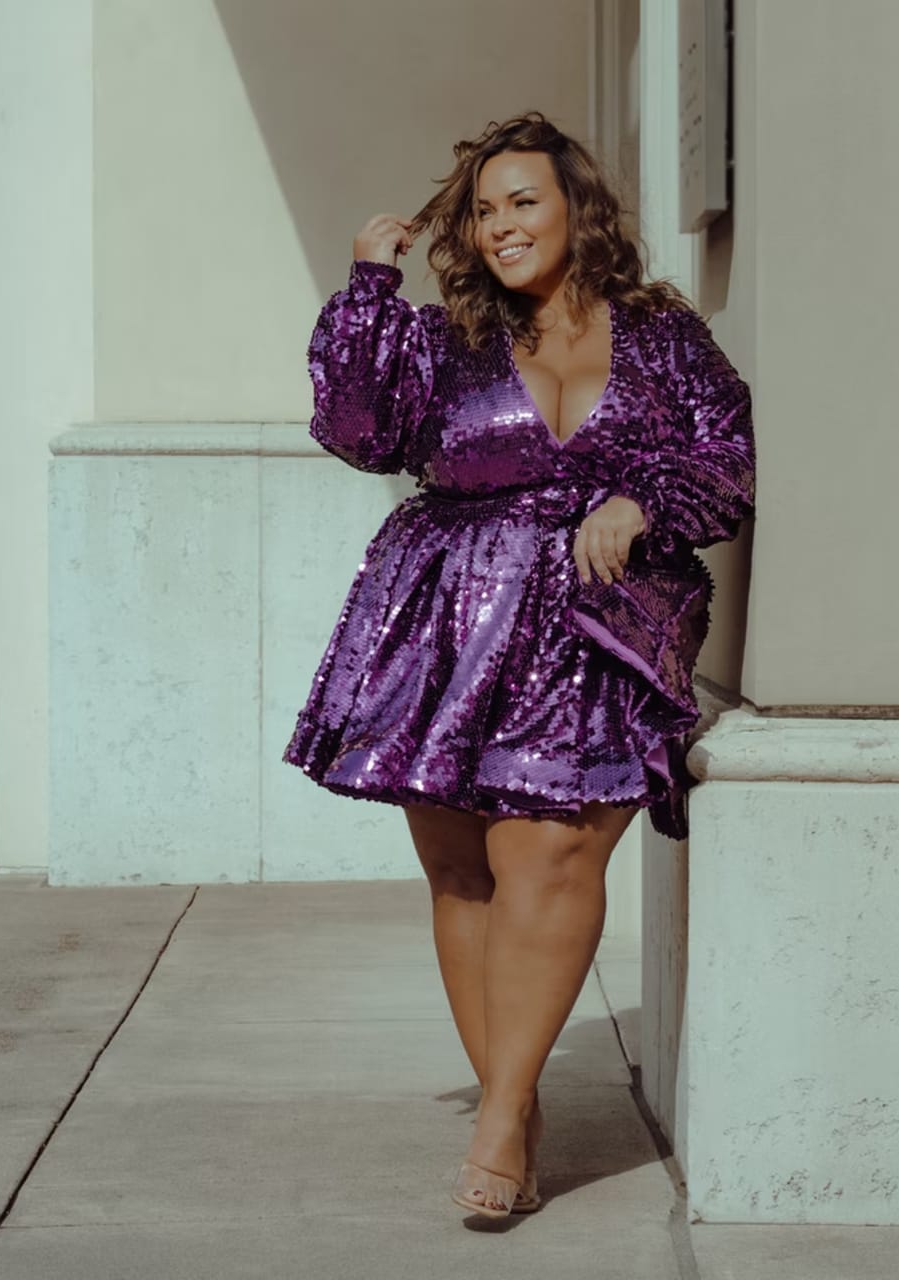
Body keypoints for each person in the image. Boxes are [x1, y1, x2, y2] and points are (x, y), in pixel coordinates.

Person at [283, 112, 755, 1219]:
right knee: (465, 871)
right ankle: (516, 1102)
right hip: (448, 622)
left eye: (523, 201)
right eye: (484, 210)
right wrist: (368, 284)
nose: (501, 226)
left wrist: (643, 501)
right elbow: (354, 429)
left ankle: (500, 1116)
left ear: (577, 209)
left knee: (549, 855)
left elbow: (727, 460)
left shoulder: (663, 334)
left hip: (595, 628)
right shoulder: (442, 336)